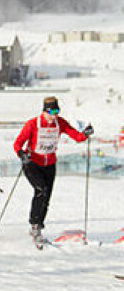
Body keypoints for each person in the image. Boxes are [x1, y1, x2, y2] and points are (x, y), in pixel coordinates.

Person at [13, 96, 92, 249]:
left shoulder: (60, 123)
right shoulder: (33, 124)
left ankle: (39, 227)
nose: (55, 115)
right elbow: (18, 143)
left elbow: (76, 136)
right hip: (32, 163)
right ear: (45, 111)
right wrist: (22, 154)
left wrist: (86, 134)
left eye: (57, 111)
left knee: (47, 196)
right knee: (40, 190)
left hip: (50, 164)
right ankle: (34, 225)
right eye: (52, 111)